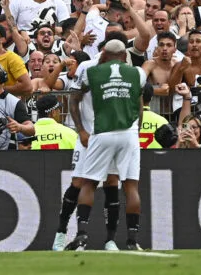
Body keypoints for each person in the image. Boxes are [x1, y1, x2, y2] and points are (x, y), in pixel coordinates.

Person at [65, 39, 147, 251]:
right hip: (129, 132)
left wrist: (82, 130)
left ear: (103, 54)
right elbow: (140, 106)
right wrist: (137, 130)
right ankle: (131, 240)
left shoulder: (92, 72)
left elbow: (75, 98)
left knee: (89, 183)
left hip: (103, 131)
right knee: (130, 186)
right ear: (124, 55)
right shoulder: (137, 73)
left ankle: (82, 235)